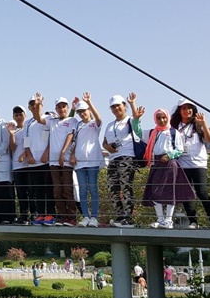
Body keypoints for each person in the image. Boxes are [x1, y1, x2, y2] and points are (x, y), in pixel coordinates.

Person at [170, 98, 210, 229]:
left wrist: (204, 123)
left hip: (199, 163)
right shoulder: (175, 127)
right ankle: (193, 221)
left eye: (189, 108)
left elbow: (209, 139)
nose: (187, 111)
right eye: (183, 108)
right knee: (186, 192)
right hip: (183, 163)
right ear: (179, 111)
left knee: (202, 191)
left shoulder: (197, 124)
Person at [141, 108, 196, 229]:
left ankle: (168, 220)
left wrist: (169, 155)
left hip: (169, 163)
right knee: (155, 190)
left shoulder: (173, 132)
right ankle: (160, 219)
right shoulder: (152, 133)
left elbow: (179, 149)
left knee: (170, 191)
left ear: (168, 118)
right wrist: (136, 118)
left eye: (164, 117)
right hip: (156, 163)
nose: (161, 120)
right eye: (159, 118)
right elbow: (138, 132)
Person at [32, 92, 79, 226]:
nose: (61, 109)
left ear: (68, 107)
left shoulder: (72, 120)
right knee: (57, 191)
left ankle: (72, 217)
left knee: (67, 190)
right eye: (59, 107)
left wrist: (63, 153)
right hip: (53, 162)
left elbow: (70, 136)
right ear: (56, 108)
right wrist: (37, 104)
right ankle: (62, 217)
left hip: (66, 161)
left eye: (64, 106)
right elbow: (37, 118)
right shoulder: (52, 121)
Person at [102, 93, 141, 228]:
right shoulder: (109, 125)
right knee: (112, 188)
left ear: (124, 106)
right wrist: (108, 147)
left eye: (118, 105)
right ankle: (120, 215)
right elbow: (104, 142)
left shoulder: (130, 120)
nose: (116, 108)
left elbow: (136, 119)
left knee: (126, 186)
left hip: (127, 156)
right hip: (113, 158)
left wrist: (132, 103)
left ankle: (128, 217)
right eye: (113, 107)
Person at [69, 93, 102, 228]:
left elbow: (99, 118)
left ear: (89, 111)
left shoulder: (95, 124)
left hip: (93, 161)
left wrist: (90, 102)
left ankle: (94, 216)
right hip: (79, 163)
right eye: (80, 112)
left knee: (93, 189)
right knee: (82, 190)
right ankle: (85, 216)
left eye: (84, 111)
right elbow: (73, 139)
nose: (82, 114)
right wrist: (72, 154)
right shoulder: (78, 125)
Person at [24, 95, 56, 225]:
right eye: (31, 104)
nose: (34, 106)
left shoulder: (48, 118)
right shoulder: (27, 123)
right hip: (33, 163)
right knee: (37, 190)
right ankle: (41, 214)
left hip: (45, 161)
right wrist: (29, 155)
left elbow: (51, 138)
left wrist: (46, 153)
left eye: (36, 104)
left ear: (42, 105)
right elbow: (26, 141)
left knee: (48, 189)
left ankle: (50, 214)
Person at [8, 105, 31, 223]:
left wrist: (25, 155)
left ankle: (34, 214)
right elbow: (12, 148)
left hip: (28, 165)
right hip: (16, 166)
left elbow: (29, 144)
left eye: (20, 114)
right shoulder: (14, 131)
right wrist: (11, 134)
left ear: (25, 115)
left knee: (31, 191)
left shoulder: (28, 128)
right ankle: (23, 215)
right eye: (16, 115)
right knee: (21, 192)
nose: (18, 117)